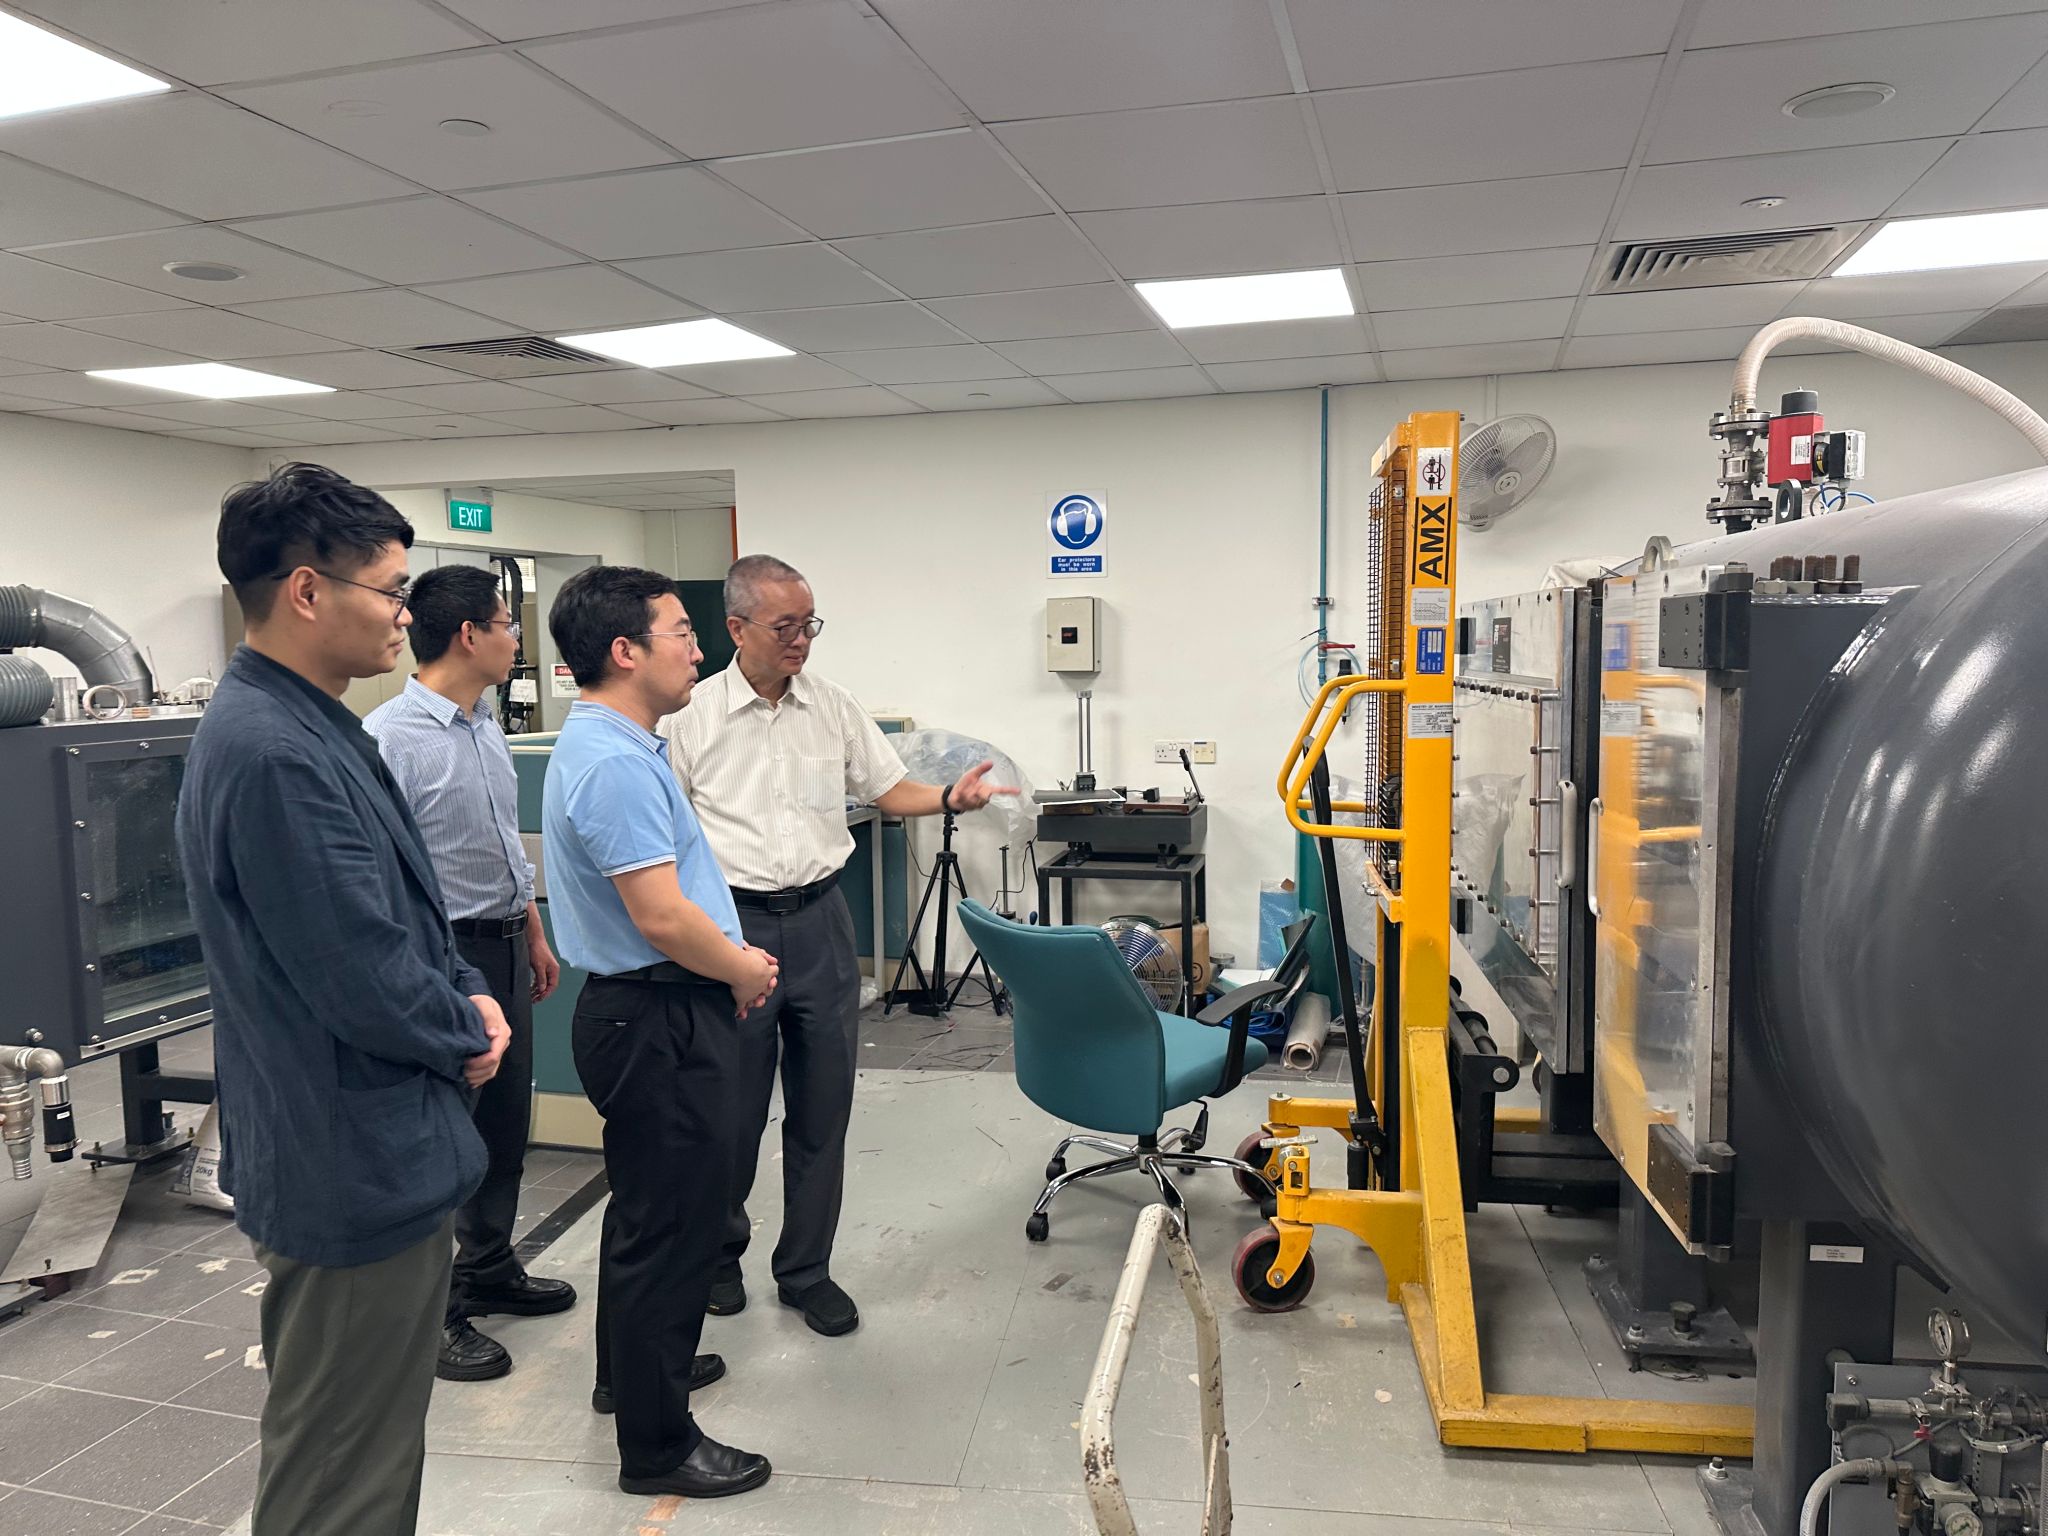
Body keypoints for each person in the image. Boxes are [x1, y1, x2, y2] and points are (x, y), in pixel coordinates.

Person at [176, 464, 510, 1536]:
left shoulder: (318, 726)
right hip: (347, 1161)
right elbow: (357, 968)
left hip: (369, 1143)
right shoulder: (273, 751)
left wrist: (466, 986)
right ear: (308, 591)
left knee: (367, 1444)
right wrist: (466, 1026)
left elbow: (406, 910)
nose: (406, 615)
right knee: (339, 1471)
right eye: (391, 591)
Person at [661, 554, 1014, 1338]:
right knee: (731, 1112)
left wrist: (949, 797)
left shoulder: (832, 706)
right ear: (736, 628)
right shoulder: (689, 718)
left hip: (821, 923)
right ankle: (718, 1256)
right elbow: (668, 835)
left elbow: (888, 790)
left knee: (823, 1108)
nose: (801, 640)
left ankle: (806, 1271)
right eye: (784, 626)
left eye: (809, 624)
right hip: (732, 929)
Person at [541, 565, 778, 1500]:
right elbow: (663, 917)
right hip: (656, 1016)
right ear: (624, 650)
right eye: (682, 631)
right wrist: (743, 968)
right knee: (671, 1231)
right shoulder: (611, 761)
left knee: (650, 1215)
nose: (699, 648)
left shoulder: (620, 745)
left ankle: (632, 1376)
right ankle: (657, 1445)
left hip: (649, 1010)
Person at [364, 564, 572, 1384]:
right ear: (468, 634)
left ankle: (488, 1267)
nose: (517, 638)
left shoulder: (484, 724)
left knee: (502, 1127)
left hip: (505, 943)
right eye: (507, 624)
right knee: (444, 1137)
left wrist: (533, 932)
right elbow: (384, 877)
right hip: (440, 955)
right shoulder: (390, 739)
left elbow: (498, 844)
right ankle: (434, 1314)